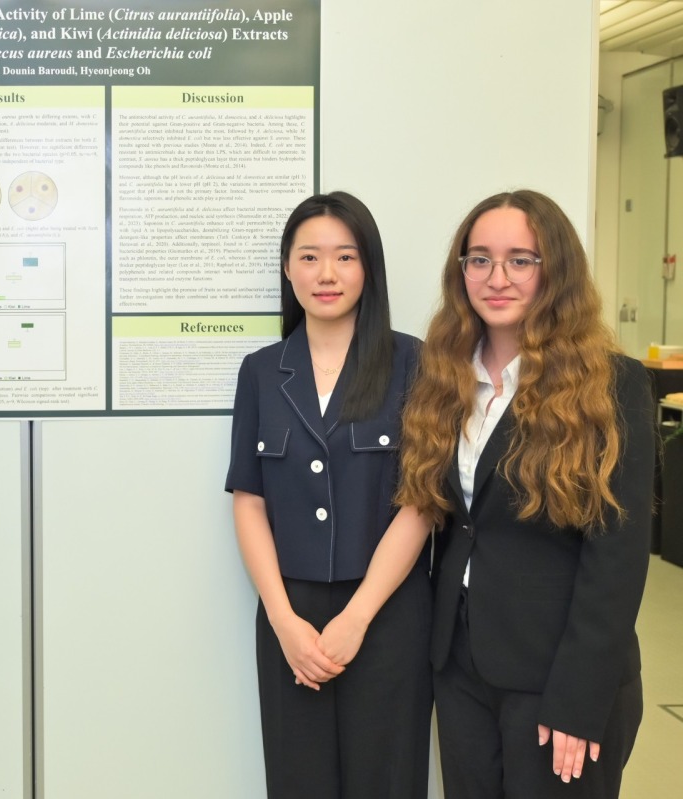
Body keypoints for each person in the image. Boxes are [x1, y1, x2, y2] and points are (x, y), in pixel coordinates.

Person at [396, 190, 654, 798]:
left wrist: (579, 699)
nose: (497, 278)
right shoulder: (445, 375)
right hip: (460, 664)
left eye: (521, 259)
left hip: (557, 675)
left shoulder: (612, 385)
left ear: (555, 270)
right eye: (479, 259)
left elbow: (617, 558)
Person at [226, 191, 434, 798]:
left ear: (368, 267)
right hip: (291, 617)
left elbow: (421, 501)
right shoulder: (262, 371)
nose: (326, 274)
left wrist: (358, 615)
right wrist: (283, 620)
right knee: (299, 781)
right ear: (288, 269)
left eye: (344, 257)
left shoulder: (410, 362)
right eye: (309, 257)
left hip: (388, 615)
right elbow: (248, 499)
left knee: (386, 781)